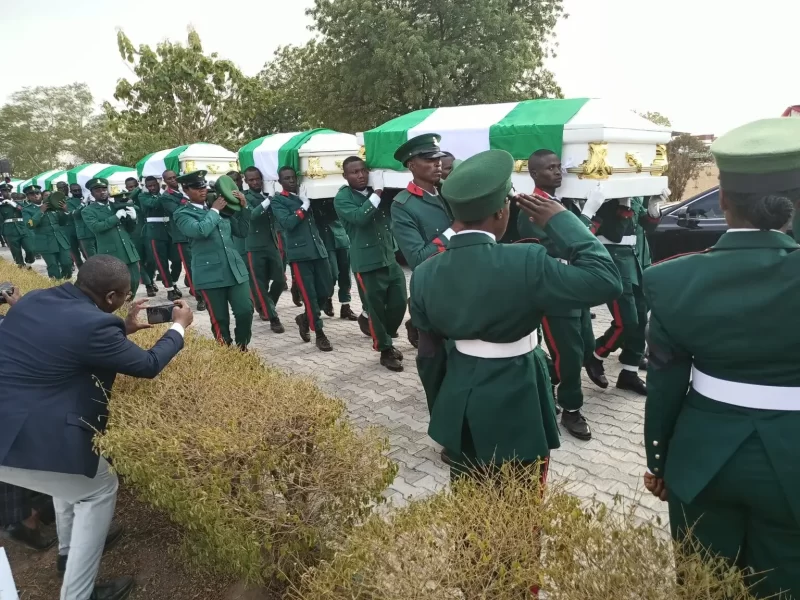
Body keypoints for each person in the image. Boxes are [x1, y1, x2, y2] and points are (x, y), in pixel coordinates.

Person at [643, 118, 800, 599]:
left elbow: (666, 382)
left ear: (724, 200)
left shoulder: (671, 279)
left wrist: (660, 460)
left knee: (705, 587)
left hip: (703, 456)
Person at [410, 149, 622, 482]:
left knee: (471, 500)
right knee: (521, 502)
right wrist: (561, 220)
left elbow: (428, 355)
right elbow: (606, 280)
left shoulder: (424, 273)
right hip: (519, 390)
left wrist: (445, 413)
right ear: (500, 210)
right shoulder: (526, 260)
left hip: (461, 392)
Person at [0, 255, 192, 600]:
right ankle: (77, 595)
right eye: (124, 295)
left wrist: (124, 327)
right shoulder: (92, 325)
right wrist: (178, 327)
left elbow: (69, 335)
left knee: (67, 480)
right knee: (98, 488)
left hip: (17, 427)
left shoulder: (35, 300)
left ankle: (67, 557)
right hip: (19, 441)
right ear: (110, 298)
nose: (125, 301)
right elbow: (148, 365)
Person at [516, 149, 600, 441]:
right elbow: (553, 246)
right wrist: (584, 220)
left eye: (558, 166)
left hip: (575, 286)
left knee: (584, 346)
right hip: (555, 288)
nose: (557, 171)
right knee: (569, 351)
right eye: (550, 168)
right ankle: (571, 408)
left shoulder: (562, 203)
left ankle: (549, 379)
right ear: (534, 174)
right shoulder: (532, 206)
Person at [582, 187, 669, 396]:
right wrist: (623, 202)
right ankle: (596, 353)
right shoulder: (606, 194)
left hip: (633, 258)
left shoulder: (634, 191)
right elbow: (615, 232)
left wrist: (653, 207)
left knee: (640, 319)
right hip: (612, 259)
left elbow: (647, 226)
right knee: (626, 321)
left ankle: (629, 373)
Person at [335, 157, 407, 372]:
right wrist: (376, 193)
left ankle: (381, 332)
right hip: (367, 262)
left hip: (388, 256)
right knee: (376, 309)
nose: (360, 175)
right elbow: (359, 218)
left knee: (399, 302)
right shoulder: (342, 198)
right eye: (354, 172)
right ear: (345, 176)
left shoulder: (381, 192)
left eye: (364, 170)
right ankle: (385, 350)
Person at [173, 170, 254, 350]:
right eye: (196, 188)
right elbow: (200, 231)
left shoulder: (218, 206)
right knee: (219, 318)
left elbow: (241, 232)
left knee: (245, 311)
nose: (202, 191)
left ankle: (242, 348)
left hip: (235, 270)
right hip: (210, 274)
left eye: (204, 187)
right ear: (185, 189)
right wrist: (215, 210)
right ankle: (225, 351)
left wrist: (243, 207)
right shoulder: (182, 214)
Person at [390, 133, 453, 348]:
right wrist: (455, 230)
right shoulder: (403, 205)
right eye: (429, 159)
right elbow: (417, 258)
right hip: (435, 288)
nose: (437, 164)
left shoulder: (450, 190)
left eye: (438, 158)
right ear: (411, 165)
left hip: (462, 279)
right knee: (437, 354)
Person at [272, 166, 334, 352]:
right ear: (280, 181)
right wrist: (304, 206)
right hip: (300, 255)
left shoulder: (307, 194)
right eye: (287, 178)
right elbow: (288, 223)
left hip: (318, 250)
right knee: (310, 295)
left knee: (327, 290)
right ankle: (320, 334)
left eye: (293, 177)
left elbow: (327, 217)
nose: (291, 181)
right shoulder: (278, 201)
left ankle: (304, 319)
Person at [81, 178, 141, 299]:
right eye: (98, 190)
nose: (102, 192)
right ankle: (121, 306)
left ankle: (127, 302)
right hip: (111, 252)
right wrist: (116, 217)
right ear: (92, 193)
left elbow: (129, 229)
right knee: (117, 283)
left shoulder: (117, 205)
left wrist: (133, 218)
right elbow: (96, 227)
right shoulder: (88, 210)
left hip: (127, 249)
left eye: (104, 189)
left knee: (134, 280)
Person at [242, 166, 285, 333]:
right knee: (259, 284)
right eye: (251, 180)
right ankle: (273, 317)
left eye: (257, 178)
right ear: (246, 182)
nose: (255, 182)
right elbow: (253, 214)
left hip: (272, 244)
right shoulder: (245, 197)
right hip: (254, 246)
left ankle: (266, 305)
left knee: (280, 281)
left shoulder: (268, 195)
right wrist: (270, 199)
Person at [630, 193, 663, 370]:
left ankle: (631, 351)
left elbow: (649, 227)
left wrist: (654, 209)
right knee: (633, 314)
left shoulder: (641, 191)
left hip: (642, 254)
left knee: (643, 306)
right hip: (624, 257)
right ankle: (599, 351)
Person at [161, 170, 203, 310]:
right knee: (190, 267)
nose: (173, 180)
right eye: (169, 179)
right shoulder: (166, 197)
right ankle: (200, 298)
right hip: (182, 236)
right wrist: (189, 198)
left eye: (174, 177)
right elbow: (179, 210)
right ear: (165, 181)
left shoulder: (188, 189)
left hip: (198, 232)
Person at [313, 193, 359, 321]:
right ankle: (328, 298)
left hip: (342, 236)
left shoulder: (340, 196)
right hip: (325, 238)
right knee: (332, 274)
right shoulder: (315, 199)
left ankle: (346, 306)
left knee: (345, 275)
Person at [139, 176, 181, 300]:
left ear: (159, 184)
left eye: (154, 185)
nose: (152, 188)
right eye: (149, 186)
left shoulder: (166, 194)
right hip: (155, 232)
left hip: (170, 231)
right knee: (161, 263)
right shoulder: (143, 197)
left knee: (177, 260)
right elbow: (154, 203)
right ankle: (169, 289)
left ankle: (173, 282)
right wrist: (168, 193)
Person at [22, 184, 73, 280]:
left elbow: (62, 222)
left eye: (37, 193)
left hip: (60, 239)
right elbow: (30, 225)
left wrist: (65, 212)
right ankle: (57, 287)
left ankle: (66, 283)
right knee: (53, 266)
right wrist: (40, 211)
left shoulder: (52, 205)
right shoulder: (27, 210)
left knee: (67, 263)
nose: (35, 195)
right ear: (28, 197)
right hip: (45, 242)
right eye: (32, 194)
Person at [118, 185, 158, 297]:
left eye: (134, 186)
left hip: (146, 234)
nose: (131, 189)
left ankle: (150, 279)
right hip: (132, 237)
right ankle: (148, 285)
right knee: (139, 261)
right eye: (129, 187)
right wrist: (135, 191)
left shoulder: (142, 198)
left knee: (152, 259)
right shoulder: (122, 205)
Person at [0, 183, 35, 269]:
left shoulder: (18, 202)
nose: (6, 193)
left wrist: (12, 204)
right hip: (10, 231)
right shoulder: (0, 205)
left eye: (8, 191)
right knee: (16, 253)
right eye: (4, 191)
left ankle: (29, 262)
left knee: (31, 249)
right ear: (1, 192)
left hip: (23, 228)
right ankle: (21, 268)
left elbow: (25, 210)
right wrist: (3, 234)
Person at [54, 181, 83, 269]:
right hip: (68, 229)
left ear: (68, 188)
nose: (63, 189)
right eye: (60, 188)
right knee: (74, 252)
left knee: (85, 250)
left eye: (64, 187)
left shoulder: (75, 199)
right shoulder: (57, 200)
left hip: (80, 228)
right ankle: (79, 268)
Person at [70, 183, 96, 260]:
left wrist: (91, 202)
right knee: (91, 258)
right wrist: (83, 203)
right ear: (71, 191)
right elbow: (75, 214)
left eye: (79, 190)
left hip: (94, 231)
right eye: (75, 191)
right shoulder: (69, 202)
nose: (78, 192)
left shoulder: (89, 198)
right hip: (84, 234)